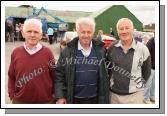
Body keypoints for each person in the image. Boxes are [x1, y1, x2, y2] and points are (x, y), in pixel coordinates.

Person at [54, 17, 109, 104]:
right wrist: (60, 96)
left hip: (96, 100)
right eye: (83, 32)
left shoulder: (101, 50)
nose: (86, 35)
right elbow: (59, 75)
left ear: (93, 32)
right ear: (77, 32)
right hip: (74, 100)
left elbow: (106, 74)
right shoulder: (67, 51)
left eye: (89, 32)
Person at [8, 18, 56, 104]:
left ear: (41, 35)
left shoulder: (48, 53)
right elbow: (11, 76)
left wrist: (54, 96)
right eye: (29, 31)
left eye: (36, 32)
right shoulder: (16, 52)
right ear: (23, 33)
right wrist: (12, 94)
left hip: (45, 102)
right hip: (20, 102)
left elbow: (55, 76)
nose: (32, 35)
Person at [107, 18, 151, 104]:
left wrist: (136, 87)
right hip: (114, 96)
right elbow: (108, 69)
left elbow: (147, 72)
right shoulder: (112, 47)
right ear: (117, 31)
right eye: (121, 29)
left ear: (132, 29)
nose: (124, 31)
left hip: (135, 97)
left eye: (127, 28)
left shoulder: (143, 49)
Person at [143, 37, 155, 104]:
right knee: (148, 84)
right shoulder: (151, 42)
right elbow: (146, 55)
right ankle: (145, 98)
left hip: (156, 67)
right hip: (150, 67)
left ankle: (152, 96)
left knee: (154, 84)